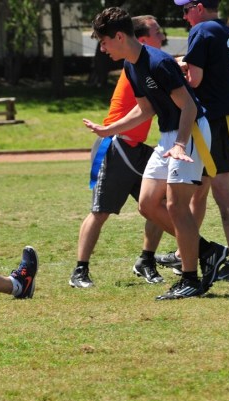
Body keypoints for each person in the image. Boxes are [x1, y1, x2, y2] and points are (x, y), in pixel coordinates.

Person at [83, 7, 228, 300]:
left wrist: (180, 143)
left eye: (104, 41)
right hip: (168, 135)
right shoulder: (130, 65)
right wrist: (110, 130)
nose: (102, 48)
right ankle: (208, 252)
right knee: (148, 204)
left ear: (120, 36)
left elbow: (188, 106)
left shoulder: (158, 62)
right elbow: (145, 108)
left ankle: (190, 279)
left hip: (190, 132)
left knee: (175, 206)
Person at [70, 15, 168, 289]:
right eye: (158, 32)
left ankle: (146, 260)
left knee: (160, 204)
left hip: (138, 149)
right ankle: (79, 270)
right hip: (116, 145)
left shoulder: (149, 62)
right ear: (144, 39)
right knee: (101, 211)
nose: (163, 37)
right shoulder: (137, 65)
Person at [157, 0, 229, 281]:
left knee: (223, 192)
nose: (183, 16)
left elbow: (195, 80)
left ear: (198, 7)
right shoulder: (223, 28)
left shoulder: (201, 30)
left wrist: (173, 68)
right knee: (198, 189)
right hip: (224, 116)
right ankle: (189, 250)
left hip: (219, 119)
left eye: (185, 10)